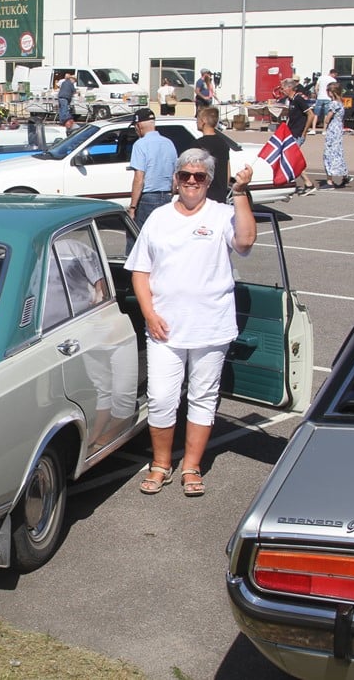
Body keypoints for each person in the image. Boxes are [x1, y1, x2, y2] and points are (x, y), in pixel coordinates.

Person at [126, 147, 256, 497]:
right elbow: (140, 271)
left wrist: (240, 193)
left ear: (209, 181)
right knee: (161, 398)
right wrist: (149, 313)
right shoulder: (158, 218)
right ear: (176, 179)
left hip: (211, 326)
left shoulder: (223, 214)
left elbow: (245, 241)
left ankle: (192, 466)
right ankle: (160, 464)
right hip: (164, 328)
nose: (192, 182)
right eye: (186, 175)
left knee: (203, 396)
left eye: (200, 176)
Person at [127, 107, 177, 231]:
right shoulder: (169, 143)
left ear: (138, 126)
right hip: (166, 196)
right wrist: (170, 195)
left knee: (139, 235)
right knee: (162, 234)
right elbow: (175, 177)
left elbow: (139, 179)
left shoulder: (140, 144)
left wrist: (132, 208)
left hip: (148, 198)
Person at [280, 78, 317, 193]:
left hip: (298, 134)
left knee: (292, 159)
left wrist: (304, 131)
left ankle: (308, 183)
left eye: (283, 88)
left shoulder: (298, 99)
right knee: (289, 158)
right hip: (291, 133)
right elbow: (291, 117)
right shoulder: (291, 100)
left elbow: (311, 114)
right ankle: (297, 182)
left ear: (289, 88)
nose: (282, 90)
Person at [193, 106, 231, 202]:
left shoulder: (198, 144)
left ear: (203, 121)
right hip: (220, 195)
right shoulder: (223, 143)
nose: (196, 122)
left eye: (198, 119)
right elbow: (228, 172)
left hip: (204, 195)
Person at [321, 82, 351, 188]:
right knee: (337, 152)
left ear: (332, 92)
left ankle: (329, 181)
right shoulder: (340, 103)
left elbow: (327, 119)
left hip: (333, 130)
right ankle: (345, 174)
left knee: (329, 154)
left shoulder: (333, 103)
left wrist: (325, 119)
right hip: (338, 129)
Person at [311, 68, 337, 132]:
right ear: (333, 74)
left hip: (319, 98)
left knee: (316, 114)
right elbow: (334, 90)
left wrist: (318, 94)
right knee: (326, 114)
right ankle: (324, 130)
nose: (335, 76)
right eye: (335, 75)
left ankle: (313, 129)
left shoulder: (321, 77)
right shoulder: (333, 80)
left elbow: (316, 88)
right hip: (328, 98)